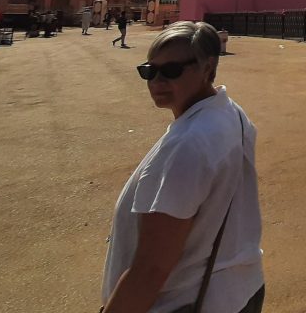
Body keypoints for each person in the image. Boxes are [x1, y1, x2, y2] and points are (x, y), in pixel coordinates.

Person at [100, 21, 265, 313]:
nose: (156, 82)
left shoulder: (187, 146)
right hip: (240, 289)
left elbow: (150, 269)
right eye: (149, 71)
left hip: (186, 302)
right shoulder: (231, 113)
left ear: (208, 69)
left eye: (172, 71)